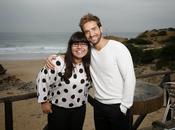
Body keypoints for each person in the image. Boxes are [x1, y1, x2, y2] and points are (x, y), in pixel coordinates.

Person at [46, 13, 136, 130]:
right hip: (98, 105)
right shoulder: (88, 52)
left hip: (118, 106)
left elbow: (130, 78)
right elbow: (74, 53)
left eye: (94, 29)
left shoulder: (118, 48)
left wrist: (125, 106)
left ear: (101, 28)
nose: (91, 34)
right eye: (87, 31)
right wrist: (55, 56)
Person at [36, 31, 91, 130]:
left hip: (80, 108)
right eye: (75, 44)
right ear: (70, 46)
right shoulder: (58, 62)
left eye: (83, 44)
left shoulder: (89, 63)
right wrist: (43, 101)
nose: (79, 47)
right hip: (59, 109)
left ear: (88, 47)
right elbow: (42, 79)